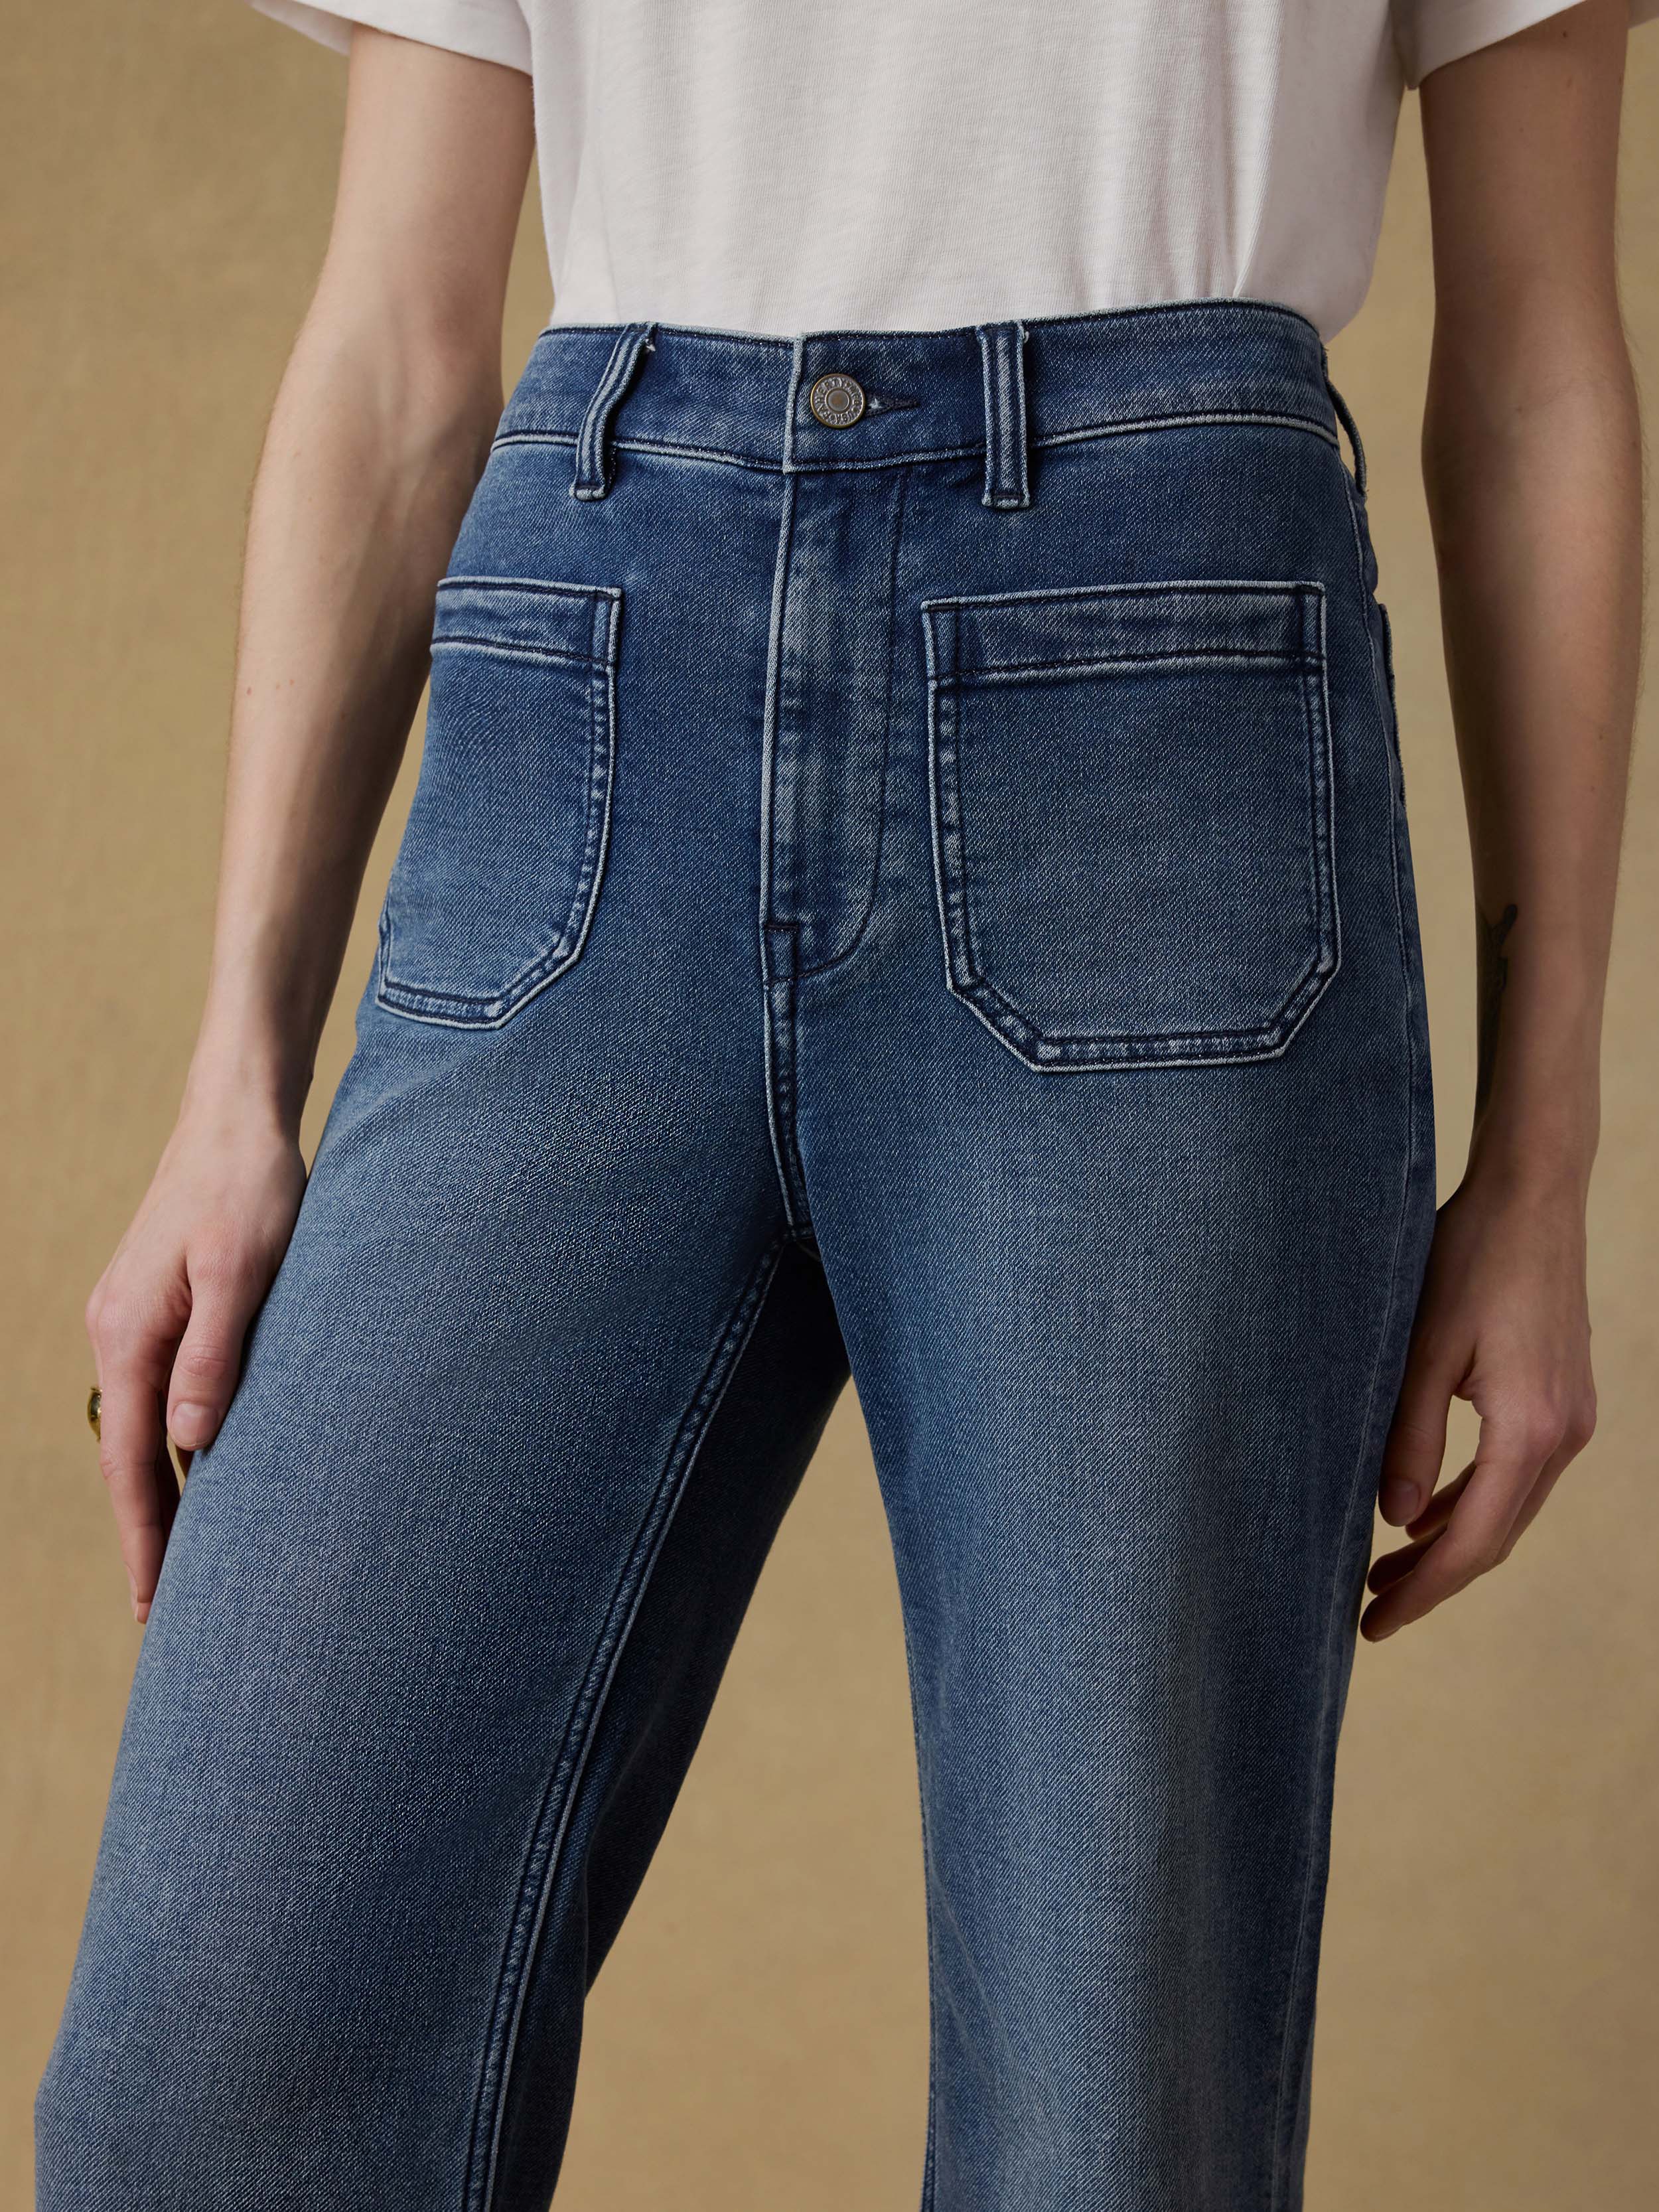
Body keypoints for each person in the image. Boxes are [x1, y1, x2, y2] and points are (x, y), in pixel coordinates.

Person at [35, 3, 1650, 2207]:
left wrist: (1540, 1164)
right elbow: (402, 344)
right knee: (210, 2092)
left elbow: (1544, 360)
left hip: (1149, 717)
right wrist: (237, 1065)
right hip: (594, 674)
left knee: (1108, 2120)